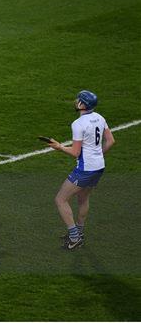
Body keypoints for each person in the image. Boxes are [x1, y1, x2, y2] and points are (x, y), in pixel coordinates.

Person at [48, 90, 115, 250]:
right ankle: (79, 231)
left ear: (82, 104)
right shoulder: (100, 117)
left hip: (85, 169)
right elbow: (111, 141)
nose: (76, 100)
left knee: (60, 199)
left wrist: (59, 147)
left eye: (78, 99)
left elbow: (75, 152)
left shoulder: (78, 124)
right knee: (83, 199)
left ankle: (74, 237)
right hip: (99, 166)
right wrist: (97, 154)